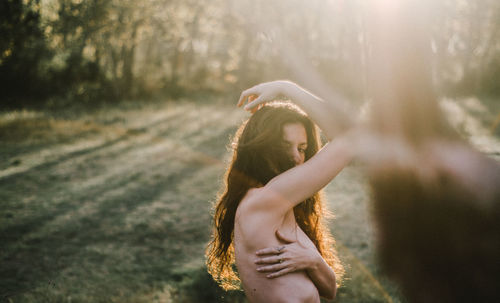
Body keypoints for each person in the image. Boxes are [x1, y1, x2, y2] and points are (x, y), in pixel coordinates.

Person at [206, 80, 353, 302]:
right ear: (261, 149)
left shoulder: (282, 210)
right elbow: (351, 138)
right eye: (284, 147)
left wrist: (313, 260)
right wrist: (287, 88)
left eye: (302, 148)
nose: (296, 157)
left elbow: (329, 290)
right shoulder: (262, 201)